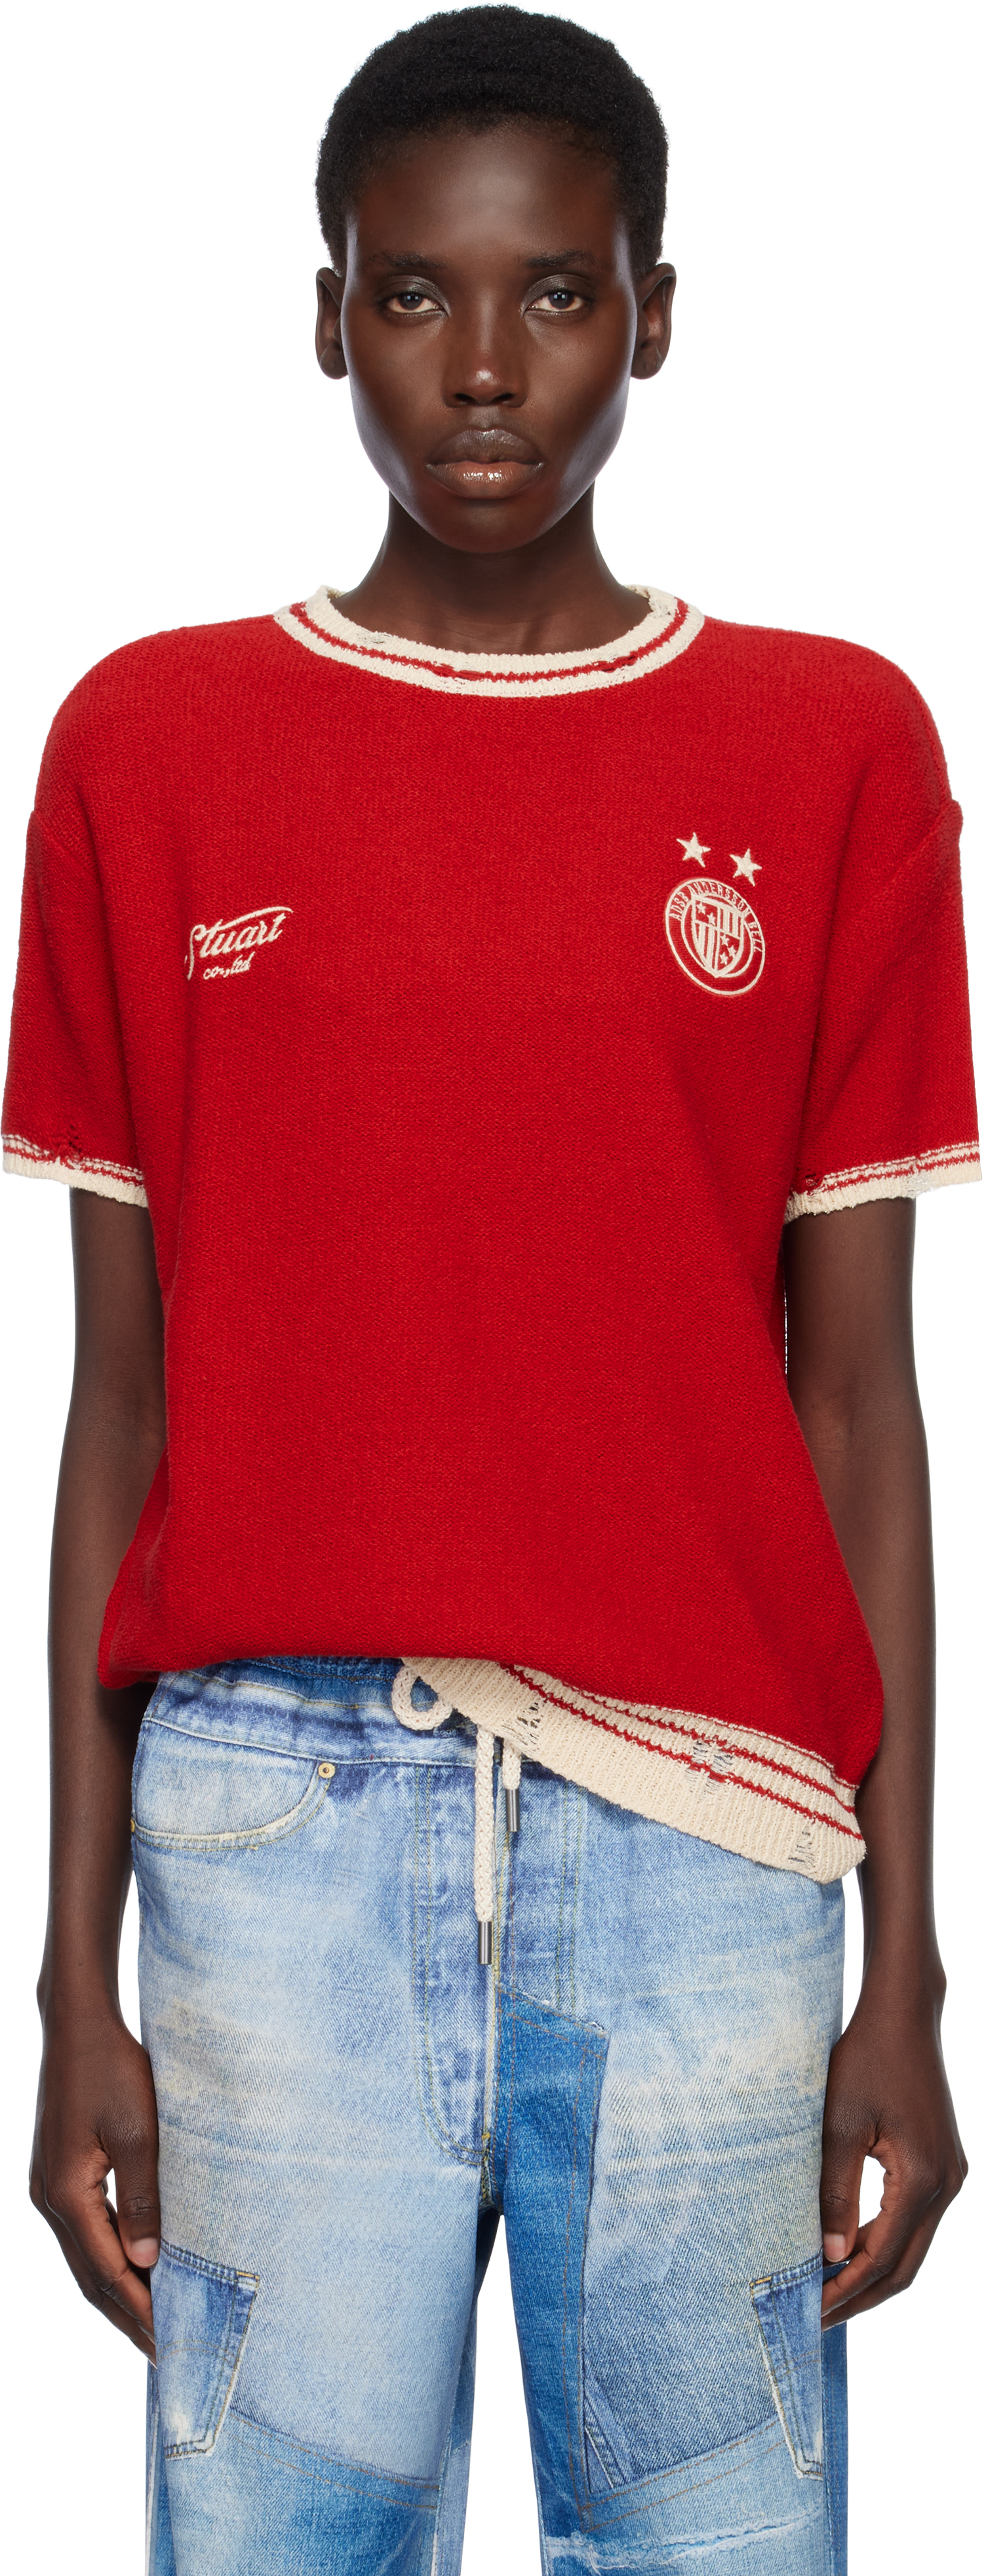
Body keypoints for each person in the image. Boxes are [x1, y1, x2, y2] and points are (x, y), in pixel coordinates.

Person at [3, 9, 977, 2571]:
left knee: (711, 2550)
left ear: (654, 311)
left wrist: (906, 1959)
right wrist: (72, 1974)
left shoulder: (829, 749)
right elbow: (121, 1404)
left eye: (554, 292)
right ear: (326, 313)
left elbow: (860, 1407)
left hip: (710, 1833)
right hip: (269, 1825)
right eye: (415, 294)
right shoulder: (148, 746)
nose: (482, 368)